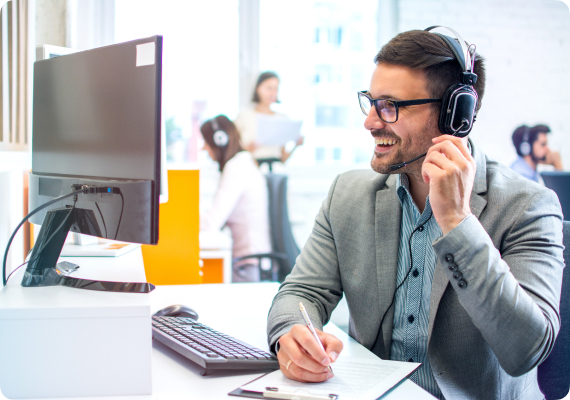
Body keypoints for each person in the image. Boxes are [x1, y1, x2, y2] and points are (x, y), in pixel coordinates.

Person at [266, 28, 564, 400]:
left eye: (389, 106)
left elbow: (527, 350)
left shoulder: (527, 206)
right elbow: (301, 291)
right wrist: (290, 335)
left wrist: (458, 222)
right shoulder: (348, 194)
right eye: (371, 102)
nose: (371, 122)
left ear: (455, 115)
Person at [200, 115, 272, 283]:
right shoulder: (242, 163)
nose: (203, 148)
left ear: (219, 140)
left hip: (248, 266)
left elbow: (211, 224)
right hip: (250, 263)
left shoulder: (236, 168)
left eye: (205, 141)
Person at [234, 72, 303, 167]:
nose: (273, 93)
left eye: (276, 89)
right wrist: (246, 150)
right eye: (269, 88)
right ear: (258, 89)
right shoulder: (244, 116)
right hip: (251, 169)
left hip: (275, 171)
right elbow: (233, 150)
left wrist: (296, 145)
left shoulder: (282, 118)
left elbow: (283, 158)